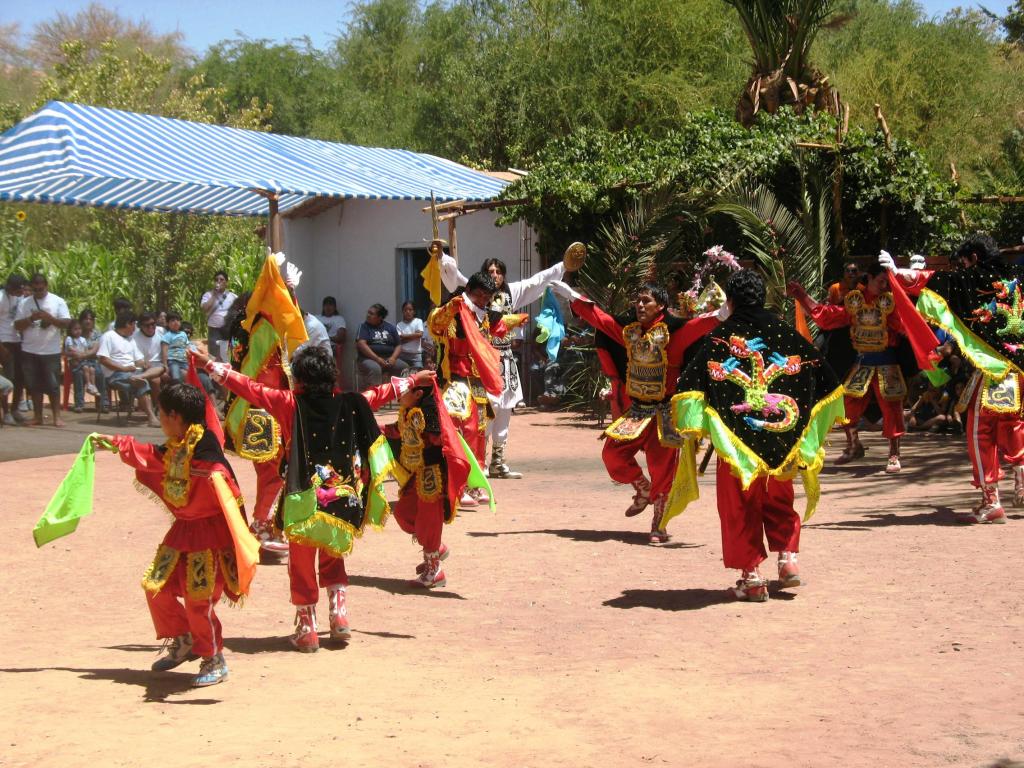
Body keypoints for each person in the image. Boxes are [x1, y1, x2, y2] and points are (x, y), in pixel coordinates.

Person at [195, 345, 408, 652]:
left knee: (301, 563)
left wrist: (211, 366)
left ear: (299, 380)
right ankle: (340, 615)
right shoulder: (350, 402)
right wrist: (413, 382)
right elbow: (381, 394)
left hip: (302, 497)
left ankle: (307, 628)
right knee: (334, 554)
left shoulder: (289, 403)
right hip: (341, 496)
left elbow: (250, 388)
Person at [670, 269, 844, 601]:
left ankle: (752, 577)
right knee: (780, 498)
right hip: (783, 441)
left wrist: (699, 427)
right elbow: (827, 380)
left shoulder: (719, 339)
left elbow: (688, 388)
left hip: (737, 444)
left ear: (731, 302)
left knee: (739, 505)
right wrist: (805, 428)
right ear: (761, 298)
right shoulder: (789, 335)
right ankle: (787, 559)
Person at [92, 383, 253, 687]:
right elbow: (153, 456)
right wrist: (115, 443)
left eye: (163, 414)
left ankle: (214, 658)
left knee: (198, 601)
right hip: (184, 532)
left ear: (176, 416)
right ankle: (184, 639)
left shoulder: (207, 454)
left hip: (210, 537)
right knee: (156, 588)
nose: (161, 419)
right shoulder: (179, 445)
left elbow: (224, 486)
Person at [551, 278, 721, 543]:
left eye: (646, 301)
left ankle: (659, 523)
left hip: (666, 414)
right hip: (637, 411)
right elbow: (602, 320)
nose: (640, 305)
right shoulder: (630, 332)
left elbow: (703, 324)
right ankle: (643, 488)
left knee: (662, 469)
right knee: (612, 455)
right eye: (638, 300)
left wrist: (728, 310)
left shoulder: (675, 333)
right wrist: (573, 297)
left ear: (661, 305)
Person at [883, 235, 1024, 523]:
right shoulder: (1016, 280)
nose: (961, 268)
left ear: (972, 257)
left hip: (995, 369)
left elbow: (934, 280)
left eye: (962, 262)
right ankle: (1020, 480)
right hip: (1020, 370)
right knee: (1014, 427)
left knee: (979, 431)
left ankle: (991, 500)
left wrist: (897, 273)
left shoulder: (974, 278)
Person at [439, 243, 584, 479]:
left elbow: (538, 280)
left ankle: (498, 461)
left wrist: (563, 266)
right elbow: (454, 276)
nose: (494, 275)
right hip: (482, 361)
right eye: (490, 271)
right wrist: (443, 258)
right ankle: (480, 463)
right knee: (487, 410)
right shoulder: (473, 294)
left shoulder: (512, 292)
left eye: (498, 271)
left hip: (506, 360)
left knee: (505, 409)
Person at [787, 262, 937, 474]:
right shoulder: (853, 302)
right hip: (863, 363)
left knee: (892, 408)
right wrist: (802, 296)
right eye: (881, 281)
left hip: (887, 363)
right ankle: (854, 445)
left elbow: (907, 324)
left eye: (887, 281)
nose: (885, 285)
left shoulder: (890, 304)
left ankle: (894, 454)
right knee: (848, 406)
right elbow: (827, 315)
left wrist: (923, 339)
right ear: (869, 278)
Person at [427, 271, 512, 506]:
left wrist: (508, 323)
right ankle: (454, 484)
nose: (483, 300)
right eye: (479, 295)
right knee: (454, 431)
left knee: (477, 433)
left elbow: (491, 335)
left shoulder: (481, 315)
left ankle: (474, 484)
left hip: (476, 382)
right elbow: (435, 323)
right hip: (453, 380)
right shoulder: (453, 309)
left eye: (487, 297)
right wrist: (449, 309)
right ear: (469, 292)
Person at [13, 273, 71, 427]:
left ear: (46, 286)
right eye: (36, 288)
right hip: (29, 350)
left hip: (50, 351)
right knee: (33, 386)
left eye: (41, 288)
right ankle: (37, 416)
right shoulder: (24, 303)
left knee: (53, 385)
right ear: (32, 287)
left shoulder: (58, 301)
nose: (38, 290)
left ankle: (56, 417)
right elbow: (17, 326)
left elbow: (66, 323)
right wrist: (31, 319)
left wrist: (49, 318)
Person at [97, 311, 161, 428]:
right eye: (134, 325)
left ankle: (141, 376)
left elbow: (138, 360)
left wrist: (144, 364)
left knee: (160, 369)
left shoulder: (130, 339)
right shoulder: (108, 336)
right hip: (116, 374)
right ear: (127, 324)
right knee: (141, 383)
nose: (135, 328)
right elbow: (103, 359)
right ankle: (152, 418)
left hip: (134, 371)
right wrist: (124, 368)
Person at [356, 303, 408, 387]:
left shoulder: (390, 327)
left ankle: (400, 394)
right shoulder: (363, 327)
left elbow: (398, 345)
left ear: (380, 317)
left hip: (388, 358)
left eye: (371, 314)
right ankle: (376, 396)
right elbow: (361, 344)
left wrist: (393, 358)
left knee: (404, 367)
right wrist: (377, 359)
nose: (368, 315)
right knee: (375, 368)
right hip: (369, 359)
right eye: (368, 312)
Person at [0, 273, 26, 425]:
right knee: (8, 380)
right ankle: (6, 411)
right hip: (4, 341)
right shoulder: (1, 297)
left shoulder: (20, 297)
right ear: (10, 287)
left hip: (18, 340)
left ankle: (15, 408)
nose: (20, 292)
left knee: (20, 377)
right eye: (18, 289)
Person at [200, 270, 237, 362]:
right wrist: (214, 295)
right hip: (214, 330)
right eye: (217, 280)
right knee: (214, 356)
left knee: (229, 356)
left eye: (222, 279)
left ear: (226, 283)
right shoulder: (208, 295)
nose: (219, 282)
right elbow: (205, 308)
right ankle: (214, 376)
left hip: (228, 330)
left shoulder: (232, 296)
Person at [63, 318, 99, 412]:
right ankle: (80, 402)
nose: (78, 331)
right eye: (75, 329)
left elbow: (86, 350)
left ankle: (92, 386)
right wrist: (80, 354)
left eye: (79, 329)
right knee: (81, 372)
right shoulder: (69, 339)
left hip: (82, 360)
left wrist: (83, 355)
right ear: (70, 330)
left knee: (92, 369)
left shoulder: (82, 339)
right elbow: (70, 349)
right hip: (74, 363)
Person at [133, 312, 167, 403]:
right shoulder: (135, 337)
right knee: (155, 380)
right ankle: (159, 406)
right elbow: (137, 360)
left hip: (161, 363)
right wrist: (144, 363)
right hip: (144, 365)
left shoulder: (162, 331)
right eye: (147, 325)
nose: (151, 327)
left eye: (153, 324)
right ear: (140, 326)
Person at [396, 300, 426, 369]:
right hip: (403, 355)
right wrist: (415, 336)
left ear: (414, 311)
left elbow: (420, 335)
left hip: (416, 356)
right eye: (405, 310)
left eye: (410, 310)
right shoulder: (399, 325)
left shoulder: (418, 321)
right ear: (402, 312)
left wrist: (403, 336)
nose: (408, 312)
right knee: (404, 376)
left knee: (417, 375)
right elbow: (400, 341)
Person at [161, 311, 190, 382]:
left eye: (177, 320)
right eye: (172, 320)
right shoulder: (167, 335)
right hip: (173, 361)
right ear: (167, 323)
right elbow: (164, 351)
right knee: (176, 377)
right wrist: (165, 365)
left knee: (191, 376)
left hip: (184, 361)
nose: (176, 322)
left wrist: (189, 360)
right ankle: (176, 391)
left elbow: (187, 347)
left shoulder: (183, 334)